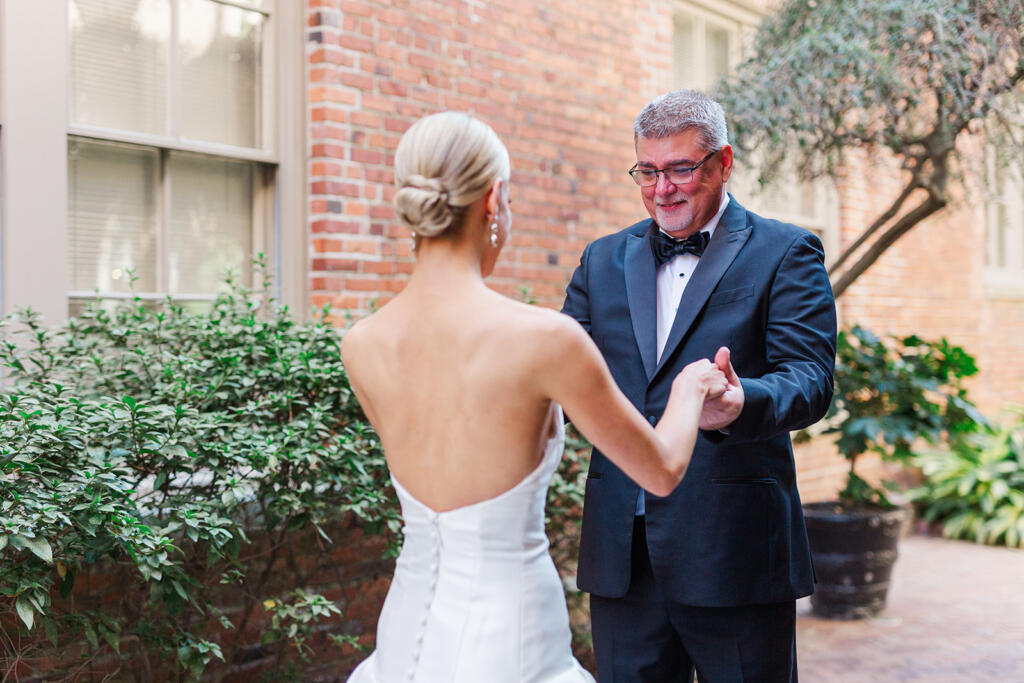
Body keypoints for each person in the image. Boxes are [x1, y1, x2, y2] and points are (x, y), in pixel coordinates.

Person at [342, 111, 728, 683]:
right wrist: (691, 386)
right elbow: (663, 469)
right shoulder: (544, 339)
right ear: (493, 200)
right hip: (511, 635)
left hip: (404, 631)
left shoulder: (361, 344)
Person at [561, 89, 838, 682]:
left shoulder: (786, 251)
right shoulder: (601, 260)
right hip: (623, 556)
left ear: (724, 162)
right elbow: (563, 376)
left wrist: (743, 401)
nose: (662, 189)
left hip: (736, 551)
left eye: (681, 169)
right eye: (648, 171)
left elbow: (810, 378)